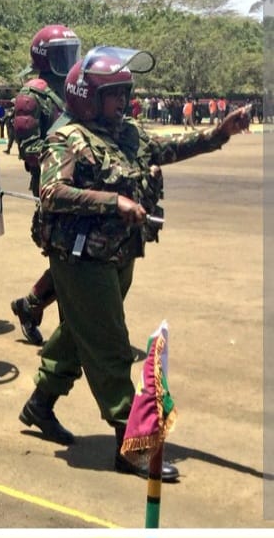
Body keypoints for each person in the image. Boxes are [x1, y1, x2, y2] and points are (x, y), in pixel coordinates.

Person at [18, 46, 252, 481]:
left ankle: (39, 404)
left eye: (125, 93)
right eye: (113, 95)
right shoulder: (68, 137)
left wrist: (219, 133)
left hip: (118, 253)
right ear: (88, 96)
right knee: (109, 342)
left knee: (79, 331)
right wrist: (114, 201)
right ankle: (131, 442)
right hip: (80, 256)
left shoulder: (124, 134)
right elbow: (52, 192)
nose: (122, 102)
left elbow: (166, 149)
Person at [9, 25, 83, 346]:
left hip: (83, 187)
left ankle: (31, 305)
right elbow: (29, 151)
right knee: (68, 258)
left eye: (72, 52)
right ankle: (69, 331)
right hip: (52, 189)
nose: (69, 60)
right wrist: (66, 155)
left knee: (78, 257)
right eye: (62, 54)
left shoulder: (77, 88)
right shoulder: (32, 95)